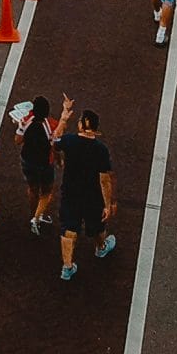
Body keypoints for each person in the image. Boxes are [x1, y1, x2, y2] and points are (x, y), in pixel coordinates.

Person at [50, 96, 117, 281]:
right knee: (97, 226)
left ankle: (67, 266)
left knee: (68, 228)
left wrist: (64, 117)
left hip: (71, 192)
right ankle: (101, 248)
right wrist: (108, 203)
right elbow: (105, 180)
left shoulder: (69, 141)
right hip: (92, 195)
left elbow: (54, 140)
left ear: (81, 125)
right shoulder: (100, 150)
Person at [19, 95, 58, 235]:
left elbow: (18, 140)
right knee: (47, 191)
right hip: (44, 163)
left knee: (33, 188)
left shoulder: (26, 121)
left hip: (27, 160)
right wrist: (59, 160)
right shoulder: (52, 125)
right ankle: (37, 218)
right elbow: (55, 146)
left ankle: (34, 214)